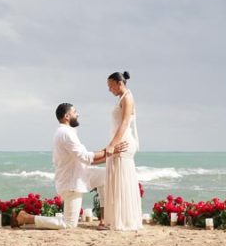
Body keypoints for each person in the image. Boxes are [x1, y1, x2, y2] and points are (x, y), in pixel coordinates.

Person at [14, 103, 127, 229]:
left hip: (81, 174)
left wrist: (110, 154)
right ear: (67, 116)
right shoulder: (65, 133)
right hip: (71, 182)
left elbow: (85, 160)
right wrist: (109, 150)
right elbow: (84, 156)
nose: (77, 114)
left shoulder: (68, 132)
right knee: (69, 224)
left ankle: (104, 219)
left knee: (106, 177)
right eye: (75, 112)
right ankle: (27, 218)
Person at [102, 71, 142, 231]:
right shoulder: (122, 97)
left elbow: (124, 123)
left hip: (123, 142)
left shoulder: (128, 98)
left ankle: (123, 220)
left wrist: (112, 145)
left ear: (119, 83)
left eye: (110, 86)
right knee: (117, 178)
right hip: (119, 139)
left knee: (121, 179)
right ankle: (116, 219)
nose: (109, 89)